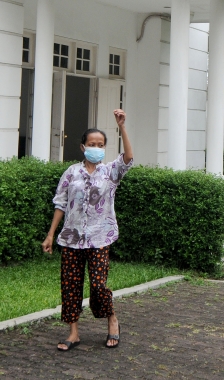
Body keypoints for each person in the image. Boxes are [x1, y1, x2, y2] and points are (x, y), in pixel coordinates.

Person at [41, 109, 133, 351]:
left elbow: (128, 159)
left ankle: (112, 320)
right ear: (83, 147)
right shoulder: (71, 173)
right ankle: (73, 334)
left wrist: (122, 126)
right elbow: (60, 203)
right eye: (92, 143)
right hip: (71, 238)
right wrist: (51, 234)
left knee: (98, 286)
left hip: (100, 238)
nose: (96, 147)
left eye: (100, 144)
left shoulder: (110, 173)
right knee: (70, 286)